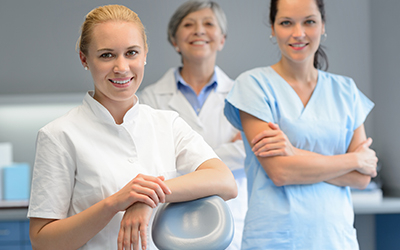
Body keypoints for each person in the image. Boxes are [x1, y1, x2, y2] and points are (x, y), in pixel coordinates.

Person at [27, 5, 237, 250]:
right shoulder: (59, 136)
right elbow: (42, 241)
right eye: (107, 55)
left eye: (131, 53)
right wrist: (114, 203)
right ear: (85, 59)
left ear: (145, 54)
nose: (122, 67)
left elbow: (224, 181)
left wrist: (145, 198)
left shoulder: (168, 124)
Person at [223, 0, 378, 249]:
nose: (298, 33)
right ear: (272, 29)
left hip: (336, 239)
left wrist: (293, 153)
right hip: (276, 238)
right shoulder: (253, 86)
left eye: (309, 22)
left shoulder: (346, 90)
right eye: (286, 23)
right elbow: (281, 172)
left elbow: (361, 179)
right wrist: (353, 160)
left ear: (322, 26)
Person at [139, 1, 246, 249]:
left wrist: (182, 161)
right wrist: (217, 166)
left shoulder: (243, 96)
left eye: (208, 24)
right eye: (188, 24)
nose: (199, 30)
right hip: (169, 225)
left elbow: (249, 154)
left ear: (222, 39)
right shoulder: (150, 99)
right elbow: (153, 164)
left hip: (231, 225)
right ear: (174, 40)